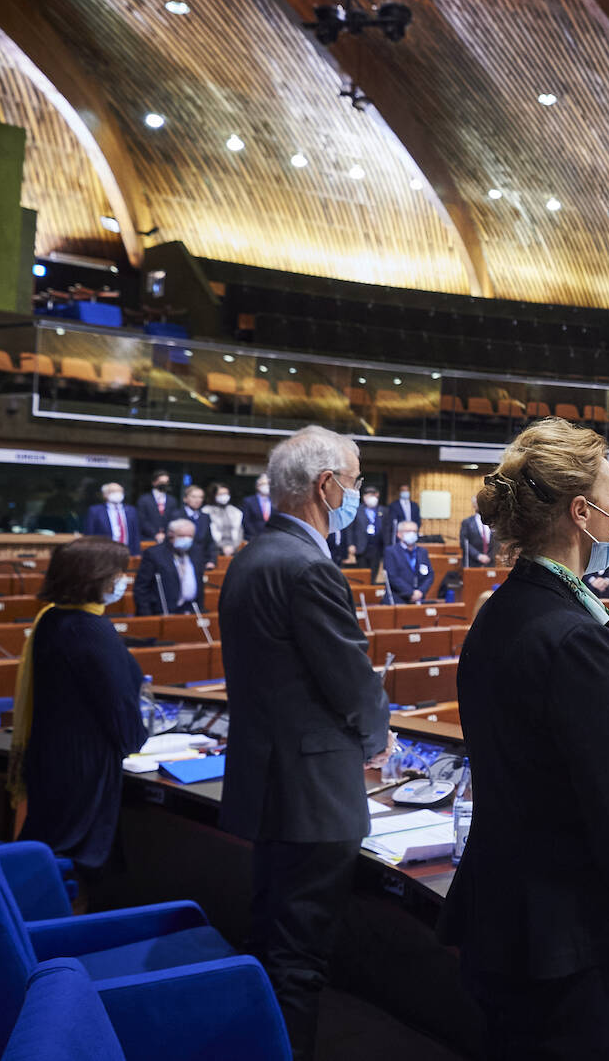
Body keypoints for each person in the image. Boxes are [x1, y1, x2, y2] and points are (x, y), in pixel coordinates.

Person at [438, 419, 609, 1061]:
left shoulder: (499, 611)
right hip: (560, 943)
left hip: (501, 917)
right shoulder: (578, 638)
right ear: (581, 512)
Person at [218, 424, 390, 1058]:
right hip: (313, 798)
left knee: (270, 946)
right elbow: (350, 679)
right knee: (299, 963)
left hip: (268, 785)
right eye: (356, 480)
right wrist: (378, 738)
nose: (358, 493)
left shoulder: (253, 556)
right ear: (328, 485)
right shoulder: (308, 566)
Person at [9, 536, 144, 878]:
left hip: (52, 756)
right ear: (96, 577)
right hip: (84, 768)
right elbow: (118, 706)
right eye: (119, 572)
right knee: (75, 866)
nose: (123, 580)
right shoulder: (90, 629)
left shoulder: (52, 619)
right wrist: (135, 742)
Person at [135, 517, 205, 616]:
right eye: (182, 535)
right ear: (171, 534)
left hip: (191, 610)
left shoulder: (196, 552)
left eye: (190, 536)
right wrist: (147, 616)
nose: (187, 539)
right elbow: (141, 588)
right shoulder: (154, 554)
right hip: (163, 611)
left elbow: (199, 583)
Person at [342, 484, 388, 577]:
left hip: (377, 547)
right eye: (368, 495)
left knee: (374, 572)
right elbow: (350, 529)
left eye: (373, 495)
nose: (370, 497)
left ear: (377, 495)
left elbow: (387, 529)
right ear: (363, 497)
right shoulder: (357, 510)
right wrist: (351, 544)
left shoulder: (383, 510)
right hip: (361, 546)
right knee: (362, 573)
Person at [83, 482, 141, 555]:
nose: (118, 494)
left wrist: (137, 553)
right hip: (103, 554)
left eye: (120, 491)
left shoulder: (131, 510)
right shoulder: (95, 511)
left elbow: (135, 534)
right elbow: (89, 534)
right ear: (105, 494)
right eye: (113, 491)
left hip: (127, 552)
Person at [384, 521, 435, 602]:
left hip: (419, 597)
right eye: (408, 531)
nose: (412, 534)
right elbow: (392, 577)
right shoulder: (391, 551)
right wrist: (411, 593)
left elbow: (430, 575)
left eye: (414, 531)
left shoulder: (422, 552)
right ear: (399, 534)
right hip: (398, 598)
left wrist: (420, 592)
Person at [172, 483, 219, 568]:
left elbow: (210, 541)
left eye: (200, 497)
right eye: (194, 497)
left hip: (201, 562)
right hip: (180, 562)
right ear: (185, 499)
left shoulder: (205, 517)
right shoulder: (176, 516)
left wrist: (211, 560)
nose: (198, 500)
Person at [205, 483, 246, 555]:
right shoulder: (206, 511)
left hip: (234, 549)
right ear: (214, 495)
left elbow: (239, 531)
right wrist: (221, 546)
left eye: (226, 494)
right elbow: (208, 533)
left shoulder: (235, 511)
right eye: (220, 494)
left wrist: (233, 547)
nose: (224, 496)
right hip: (215, 550)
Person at [137, 470, 177, 543]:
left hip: (167, 539)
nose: (164, 484)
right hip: (148, 538)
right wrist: (155, 534)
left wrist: (166, 534)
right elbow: (142, 520)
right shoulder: (144, 499)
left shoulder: (172, 500)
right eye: (161, 482)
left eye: (166, 482)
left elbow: (173, 519)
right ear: (154, 482)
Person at [241, 474, 275, 540]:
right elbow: (246, 521)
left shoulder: (275, 501)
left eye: (268, 484)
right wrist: (255, 536)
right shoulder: (248, 501)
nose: (266, 486)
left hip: (271, 538)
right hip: (253, 538)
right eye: (263, 484)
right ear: (257, 486)